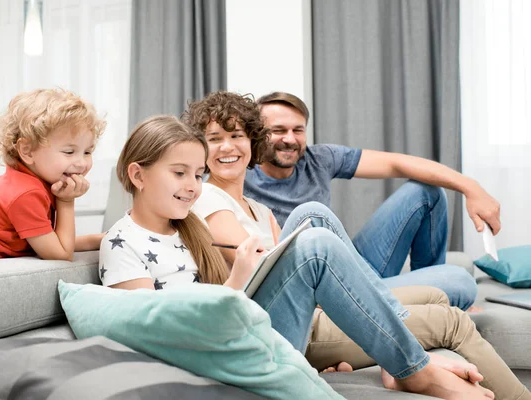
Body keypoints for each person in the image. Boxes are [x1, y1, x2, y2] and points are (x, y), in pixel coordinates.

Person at [99, 114, 495, 400]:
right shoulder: (132, 239)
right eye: (180, 173)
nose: (193, 186)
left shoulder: (186, 227)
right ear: (138, 175)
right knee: (315, 240)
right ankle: (411, 365)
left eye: (196, 175)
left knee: (313, 219)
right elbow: (155, 329)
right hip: (231, 345)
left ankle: (398, 352)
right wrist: (239, 279)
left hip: (254, 325)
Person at [183, 90, 530, 400]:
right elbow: (265, 274)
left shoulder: (260, 207)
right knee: (314, 217)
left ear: (251, 142)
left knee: (446, 291)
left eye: (236, 136)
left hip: (316, 296)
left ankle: (390, 337)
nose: (227, 146)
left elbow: (283, 274)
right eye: (215, 139)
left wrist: (470, 186)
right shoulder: (207, 199)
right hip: (284, 321)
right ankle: (408, 359)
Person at [240, 91, 496, 310]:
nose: (290, 139)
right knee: (460, 281)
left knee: (427, 191)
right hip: (316, 285)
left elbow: (396, 163)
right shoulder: (242, 175)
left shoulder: (320, 158)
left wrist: (471, 188)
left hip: (354, 267)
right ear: (258, 134)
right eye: (278, 131)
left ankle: (424, 294)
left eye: (298, 130)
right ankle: (420, 297)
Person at [0, 88, 106, 263]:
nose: (82, 163)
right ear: (27, 151)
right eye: (69, 152)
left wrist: (99, 240)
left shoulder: (34, 182)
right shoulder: (27, 193)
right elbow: (60, 254)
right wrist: (66, 202)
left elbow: (52, 241)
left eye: (88, 152)